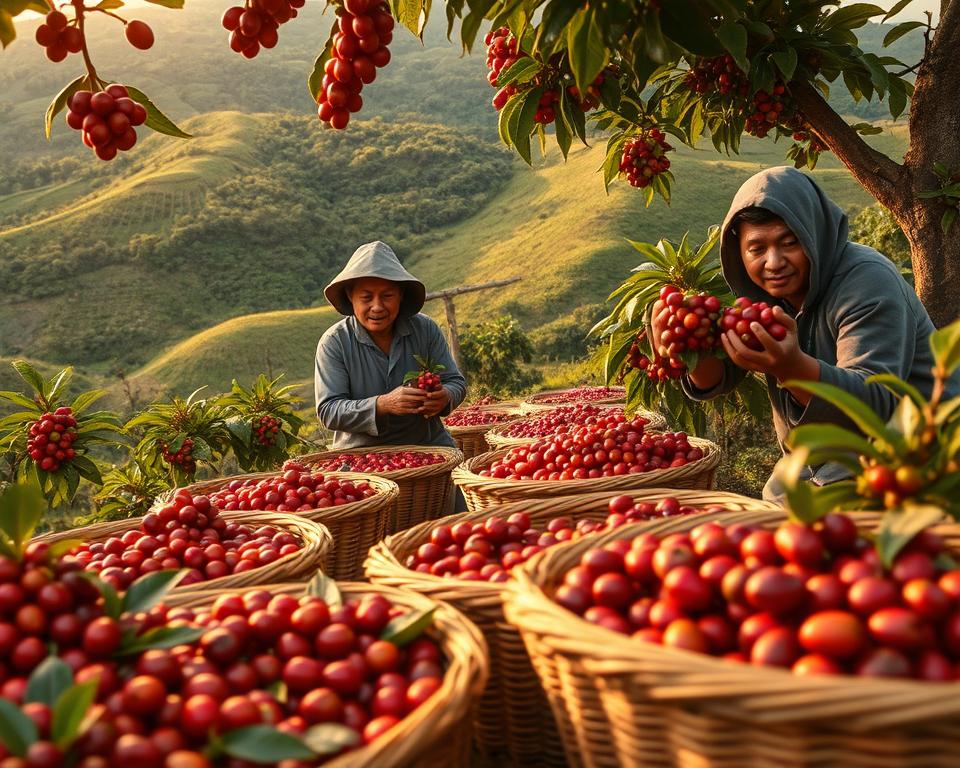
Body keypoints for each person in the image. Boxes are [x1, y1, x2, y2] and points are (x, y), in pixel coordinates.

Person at [653, 165, 950, 502]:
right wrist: (685, 347)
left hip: (913, 458)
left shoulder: (868, 281)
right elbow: (718, 376)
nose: (774, 262)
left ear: (814, 234)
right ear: (739, 250)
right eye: (757, 249)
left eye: (789, 242)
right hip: (815, 465)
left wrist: (791, 368)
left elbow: (875, 404)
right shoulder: (761, 295)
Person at [314, 240, 467, 450]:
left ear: (401, 295)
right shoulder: (334, 342)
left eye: (387, 296)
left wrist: (445, 397)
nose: (377, 307)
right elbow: (329, 411)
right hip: (362, 457)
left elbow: (455, 382)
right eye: (366, 297)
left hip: (427, 448)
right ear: (351, 297)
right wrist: (382, 405)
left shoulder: (425, 329)